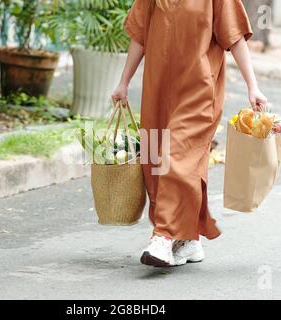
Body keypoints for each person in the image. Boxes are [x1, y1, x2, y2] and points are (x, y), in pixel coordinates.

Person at [111, 0, 267, 267]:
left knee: (177, 157)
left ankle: (163, 235)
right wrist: (123, 82)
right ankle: (188, 238)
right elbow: (140, 36)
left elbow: (235, 37)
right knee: (156, 162)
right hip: (157, 90)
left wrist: (253, 86)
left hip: (199, 91)